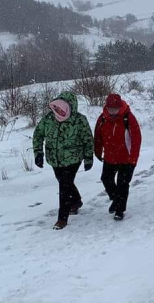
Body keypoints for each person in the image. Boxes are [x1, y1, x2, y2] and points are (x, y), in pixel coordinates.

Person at [33, 92, 94, 230]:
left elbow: (88, 139)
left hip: (73, 158)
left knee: (64, 186)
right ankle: (76, 201)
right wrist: (38, 153)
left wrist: (88, 157)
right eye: (57, 107)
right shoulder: (48, 119)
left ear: (70, 107)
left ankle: (62, 218)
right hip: (54, 159)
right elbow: (38, 134)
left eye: (62, 108)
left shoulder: (79, 120)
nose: (59, 111)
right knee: (63, 181)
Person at [94, 94, 142, 221]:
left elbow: (136, 139)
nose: (112, 111)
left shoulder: (128, 118)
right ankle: (116, 200)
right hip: (110, 157)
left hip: (126, 159)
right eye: (110, 109)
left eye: (115, 109)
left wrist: (133, 159)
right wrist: (98, 151)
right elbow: (98, 137)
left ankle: (119, 210)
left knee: (123, 184)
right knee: (106, 179)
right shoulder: (103, 118)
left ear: (120, 106)